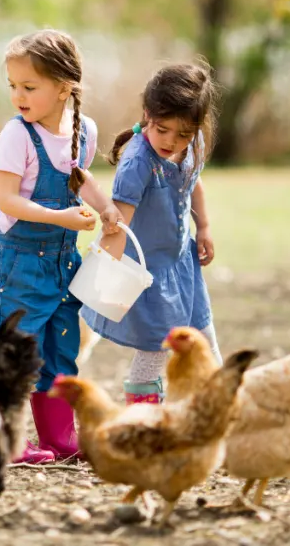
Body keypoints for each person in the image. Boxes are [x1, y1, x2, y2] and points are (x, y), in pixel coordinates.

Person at [0, 29, 121, 463]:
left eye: (29, 87)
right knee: (18, 352)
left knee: (61, 346)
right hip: (17, 260)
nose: (17, 96)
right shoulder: (17, 136)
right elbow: (7, 200)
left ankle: (58, 438)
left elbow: (80, 178)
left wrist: (105, 207)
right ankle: (10, 439)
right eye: (12, 86)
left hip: (63, 261)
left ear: (64, 88)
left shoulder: (85, 131)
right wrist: (62, 217)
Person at [81, 61, 223, 406]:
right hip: (148, 276)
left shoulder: (193, 145)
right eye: (163, 130)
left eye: (183, 134)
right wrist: (98, 280)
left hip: (181, 265)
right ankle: (142, 421)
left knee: (204, 341)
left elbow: (194, 183)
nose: (172, 141)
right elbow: (119, 226)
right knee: (155, 350)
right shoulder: (138, 163)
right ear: (147, 115)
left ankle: (220, 410)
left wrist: (202, 226)